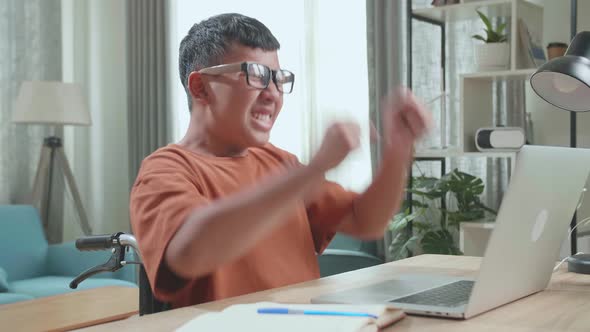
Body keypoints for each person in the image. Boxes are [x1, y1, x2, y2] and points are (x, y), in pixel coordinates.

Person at [129, 13, 432, 309]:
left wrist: (399, 148)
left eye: (278, 78)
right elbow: (191, 252)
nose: (272, 93)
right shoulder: (164, 170)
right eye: (256, 75)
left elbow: (366, 219)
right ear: (201, 87)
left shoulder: (280, 163)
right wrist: (314, 170)